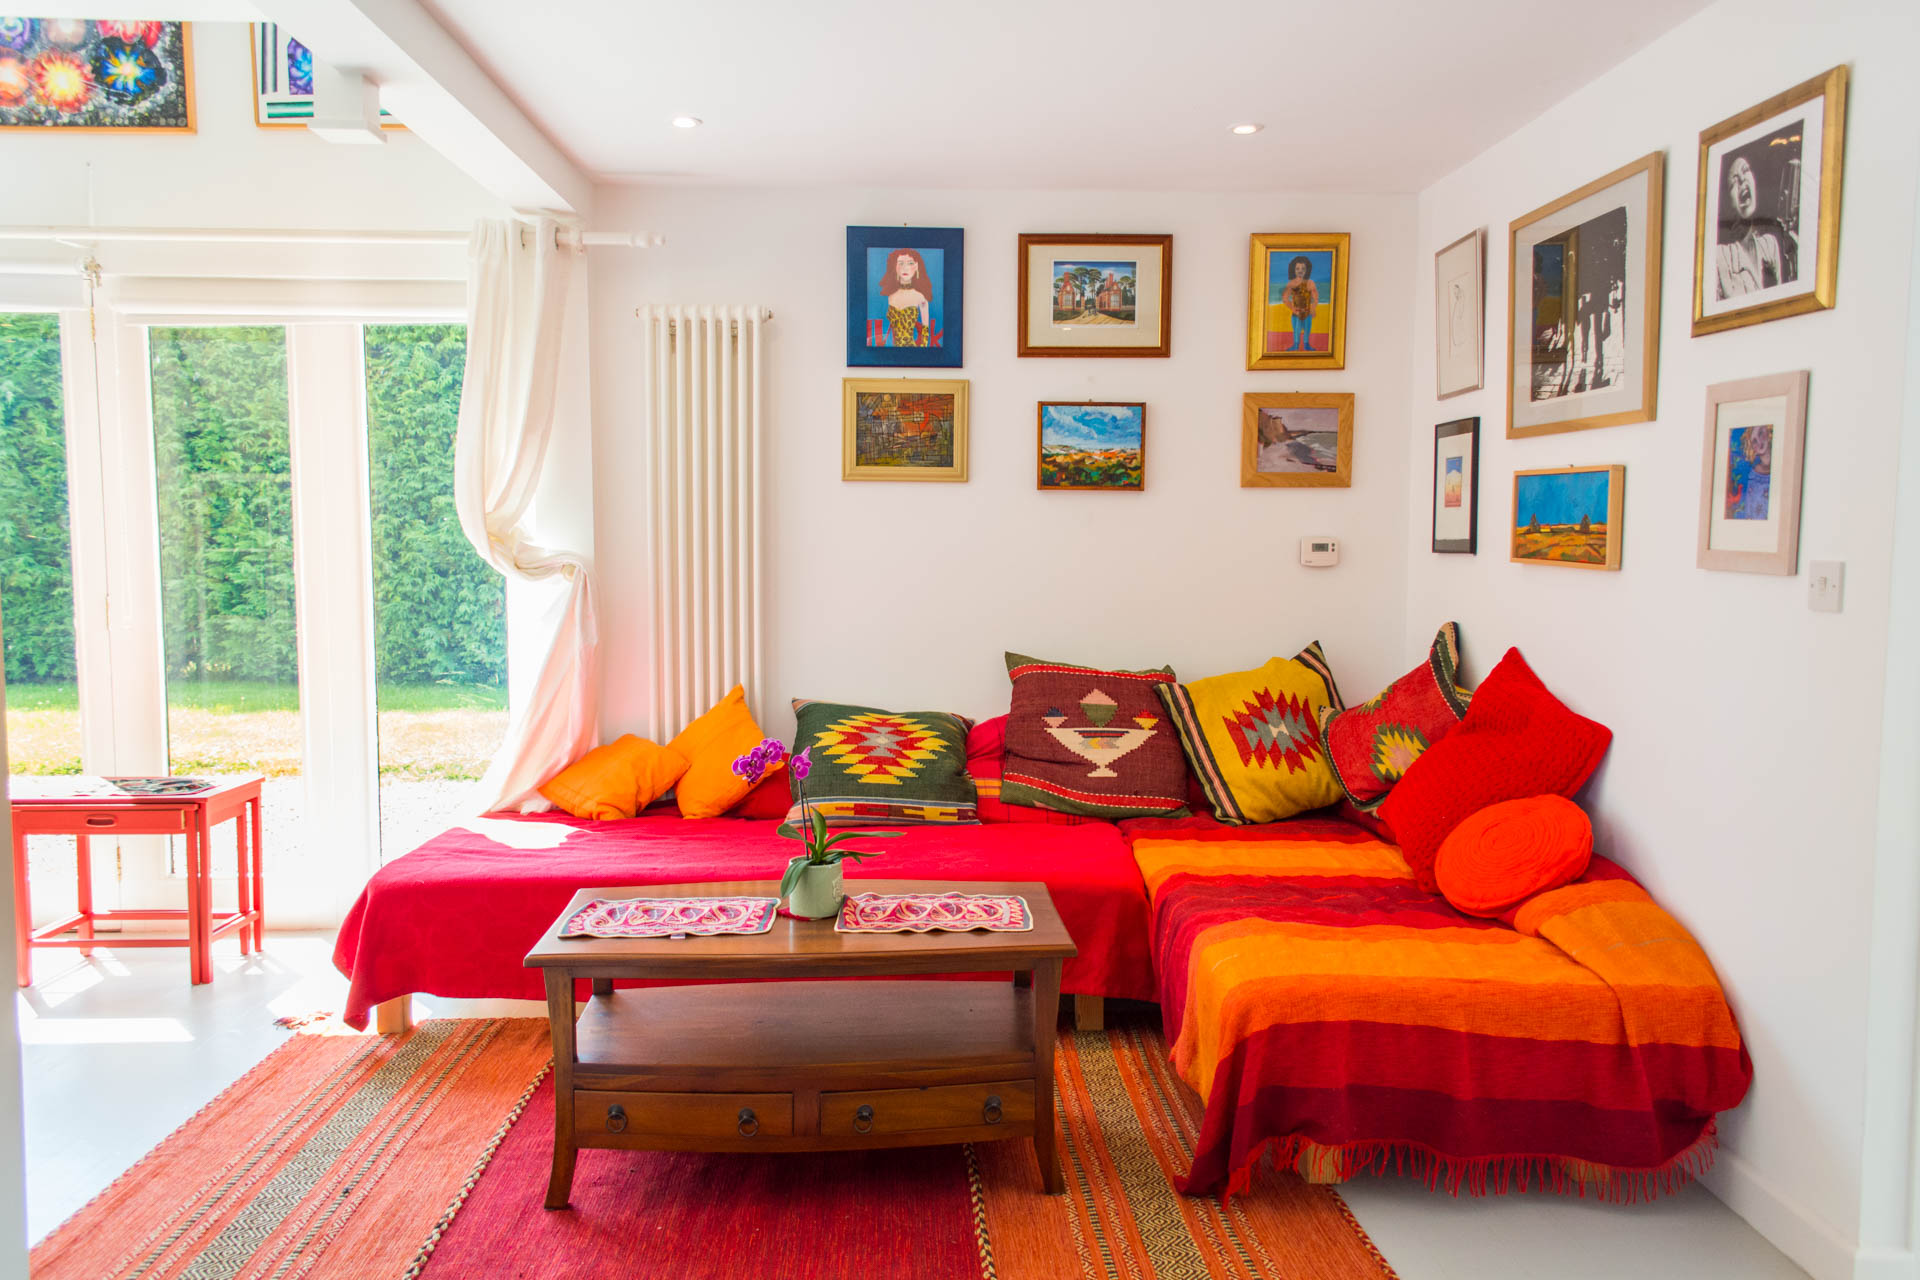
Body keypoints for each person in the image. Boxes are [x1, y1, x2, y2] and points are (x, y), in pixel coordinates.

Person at [1715, 155, 1790, 299]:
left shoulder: (1770, 245)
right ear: (1727, 202)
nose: (1742, 180)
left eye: (1746, 170)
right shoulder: (1720, 256)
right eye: (1734, 180)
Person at [878, 248, 933, 347]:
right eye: (901, 263)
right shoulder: (891, 295)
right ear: (895, 266)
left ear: (916, 266)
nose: (905, 268)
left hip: (912, 352)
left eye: (910, 263)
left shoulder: (920, 297)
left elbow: (925, 331)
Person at [1280, 255, 1319, 354]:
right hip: (1296, 314)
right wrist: (1292, 308)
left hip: (1307, 313)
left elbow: (1315, 298)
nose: (1300, 270)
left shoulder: (1310, 283)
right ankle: (1295, 345)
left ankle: (1306, 345)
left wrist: (1313, 308)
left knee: (1307, 329)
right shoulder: (1291, 283)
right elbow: (1285, 298)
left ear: (1307, 270)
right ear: (1293, 269)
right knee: (1296, 330)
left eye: (1303, 268)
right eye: (1297, 268)